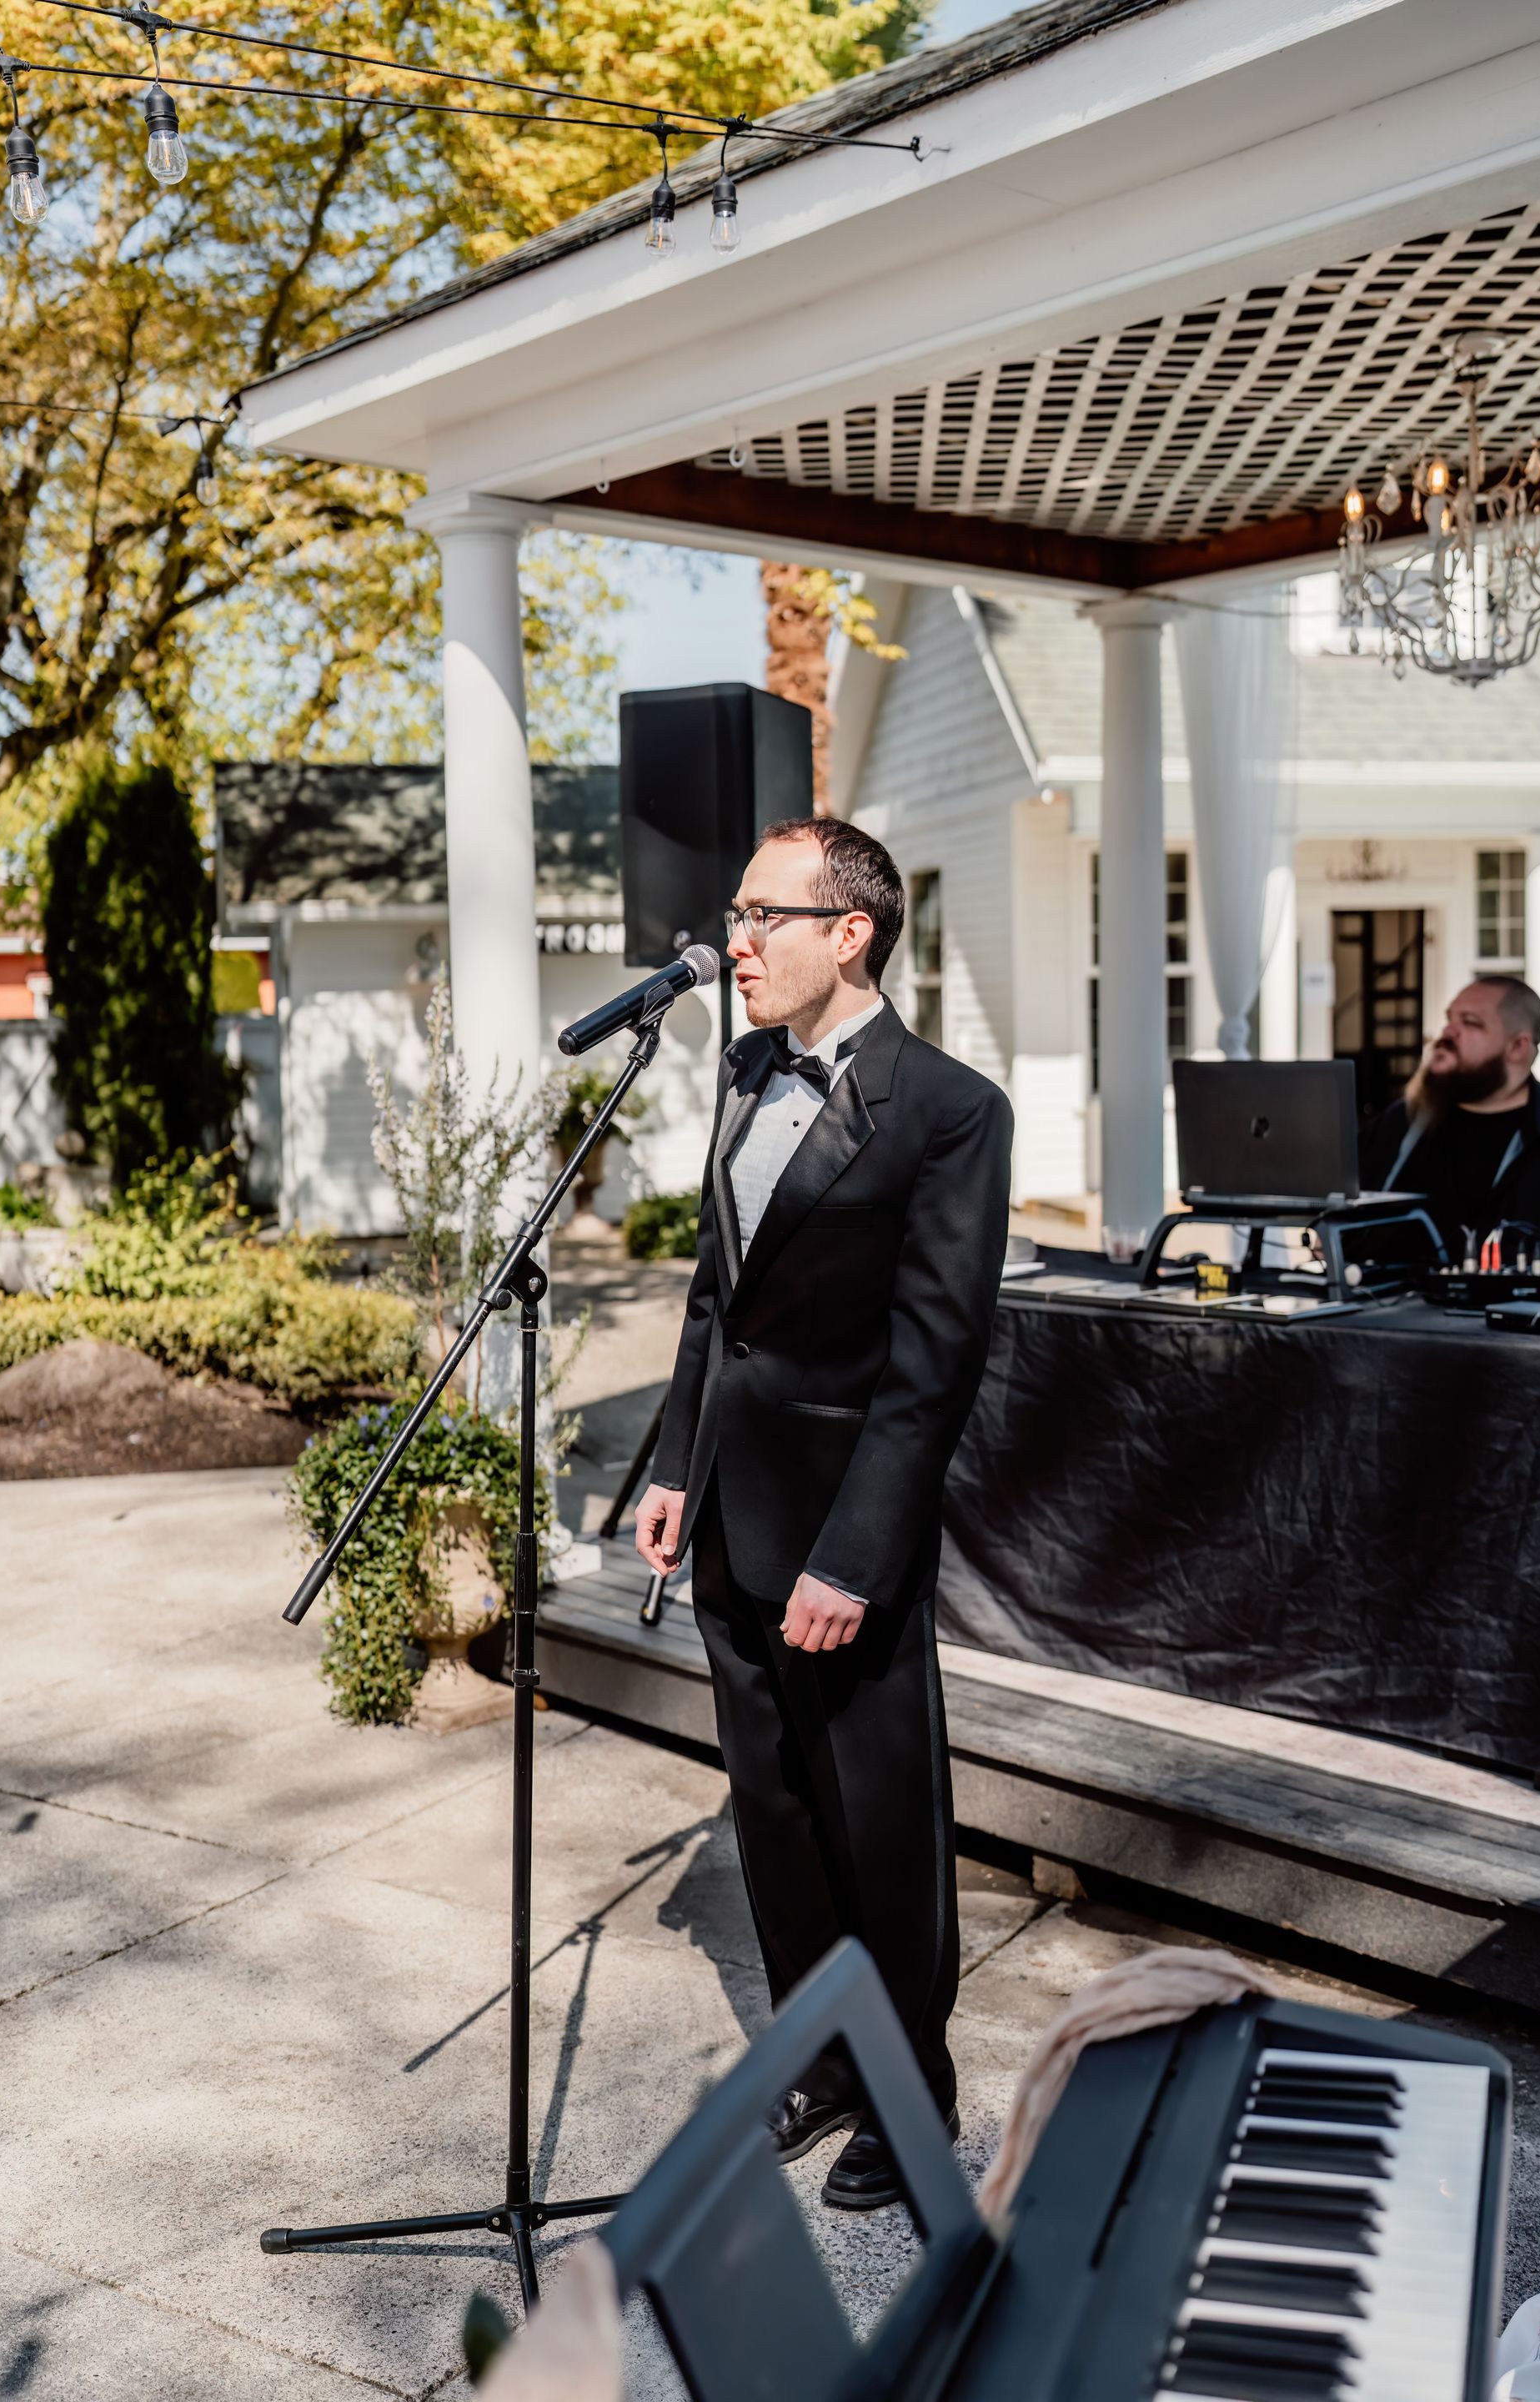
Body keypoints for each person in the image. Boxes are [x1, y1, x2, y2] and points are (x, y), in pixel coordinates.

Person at [635, 817, 1012, 2213]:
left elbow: (935, 1366)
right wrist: (675, 1466)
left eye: (762, 916)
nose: (735, 941)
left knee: (878, 1824)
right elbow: (714, 1299)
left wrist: (854, 1558)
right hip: (731, 1512)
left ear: (850, 933)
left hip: (847, 1533)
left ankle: (910, 2087)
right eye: (738, 917)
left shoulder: (952, 1110)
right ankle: (823, 2058)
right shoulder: (742, 1068)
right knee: (775, 1810)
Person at [1362, 975, 1540, 1252]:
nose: (1448, 1031)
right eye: (1449, 1019)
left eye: (1470, 1022)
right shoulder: (1403, 1120)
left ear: (1517, 1047)